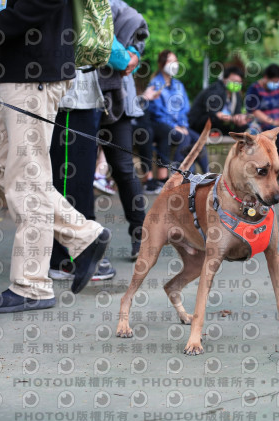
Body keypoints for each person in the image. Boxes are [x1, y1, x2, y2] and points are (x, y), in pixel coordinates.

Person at [0, 0, 110, 312]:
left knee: (27, 177)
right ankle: (83, 234)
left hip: (32, 75)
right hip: (14, 76)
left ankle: (32, 284)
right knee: (0, 163)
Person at [48, 69, 116, 282]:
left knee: (83, 183)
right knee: (70, 184)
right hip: (69, 99)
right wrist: (124, 57)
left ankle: (82, 248)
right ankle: (67, 259)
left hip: (83, 98)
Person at [97, 0, 149, 260]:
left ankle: (141, 233)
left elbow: (138, 33)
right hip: (76, 99)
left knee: (124, 169)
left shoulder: (115, 6)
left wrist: (134, 56)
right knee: (79, 174)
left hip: (118, 99)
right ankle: (86, 243)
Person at [136, 50, 207, 194]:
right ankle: (178, 177)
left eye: (175, 61)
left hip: (180, 125)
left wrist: (182, 125)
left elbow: (185, 108)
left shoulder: (179, 85)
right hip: (163, 125)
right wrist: (175, 126)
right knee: (184, 137)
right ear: (162, 64)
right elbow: (157, 112)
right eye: (170, 61)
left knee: (199, 139)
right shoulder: (155, 84)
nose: (174, 65)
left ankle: (207, 175)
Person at [245, 63, 279, 155]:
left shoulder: (278, 89)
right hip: (262, 124)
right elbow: (255, 112)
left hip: (277, 123)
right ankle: (278, 160)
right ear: (266, 77)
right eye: (273, 81)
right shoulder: (254, 89)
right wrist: (273, 122)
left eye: (277, 82)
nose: (275, 84)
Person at [188, 66, 249, 135]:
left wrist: (241, 119)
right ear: (225, 79)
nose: (236, 84)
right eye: (234, 81)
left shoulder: (236, 95)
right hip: (199, 123)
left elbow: (237, 114)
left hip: (222, 123)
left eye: (239, 82)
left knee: (243, 126)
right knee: (214, 119)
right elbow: (215, 114)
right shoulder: (216, 90)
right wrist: (233, 118)